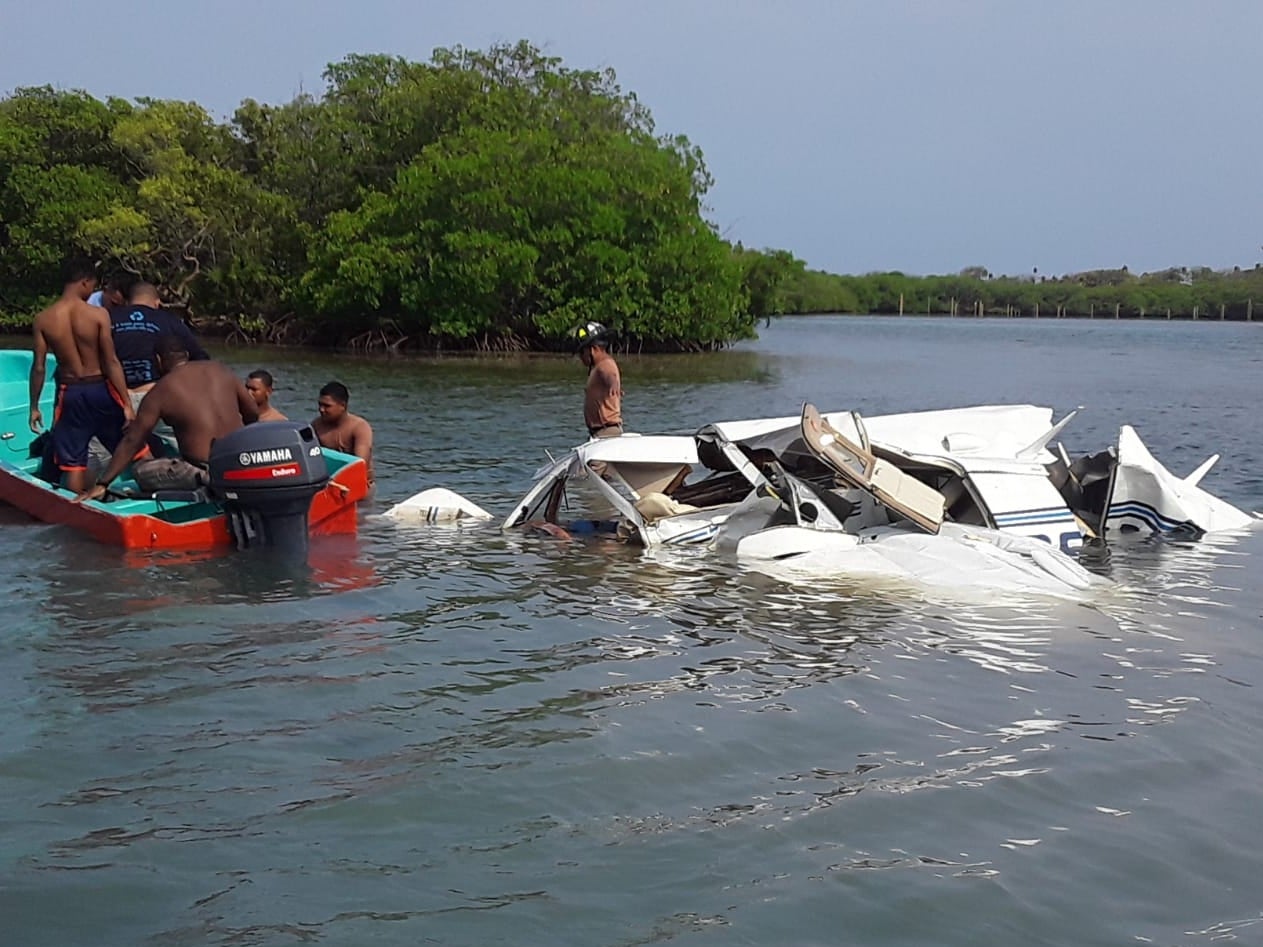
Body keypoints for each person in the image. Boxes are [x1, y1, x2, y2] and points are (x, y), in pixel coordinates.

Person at [75, 335, 259, 501]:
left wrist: (103, 483)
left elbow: (132, 439)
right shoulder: (222, 370)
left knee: (140, 471)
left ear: (158, 360)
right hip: (238, 463)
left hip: (202, 472)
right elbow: (252, 413)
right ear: (186, 354)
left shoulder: (162, 390)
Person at [29, 257, 136, 494]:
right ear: (85, 282)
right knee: (135, 448)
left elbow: (38, 368)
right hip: (101, 390)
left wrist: (34, 406)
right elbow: (111, 362)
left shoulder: (43, 319)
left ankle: (75, 509)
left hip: (70, 393)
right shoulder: (98, 316)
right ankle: (149, 496)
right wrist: (127, 404)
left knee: (73, 464)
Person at [110, 281, 210, 411]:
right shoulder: (168, 320)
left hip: (116, 396)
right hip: (156, 395)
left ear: (128, 302)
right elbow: (199, 357)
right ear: (157, 303)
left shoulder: (109, 317)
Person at [312, 381, 373, 484]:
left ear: (343, 406)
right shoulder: (316, 426)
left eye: (327, 406)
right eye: (320, 404)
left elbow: (360, 464)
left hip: (359, 487)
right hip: (329, 486)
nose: (321, 409)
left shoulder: (359, 427)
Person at [576, 321, 623, 439]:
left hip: (607, 432)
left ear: (593, 349)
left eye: (582, 352)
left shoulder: (605, 364)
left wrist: (613, 384)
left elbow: (609, 374)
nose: (580, 357)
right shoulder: (597, 368)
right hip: (599, 433)